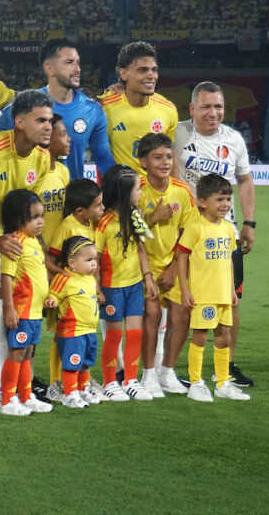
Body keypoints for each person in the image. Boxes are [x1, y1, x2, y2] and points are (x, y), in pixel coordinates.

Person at [174, 81, 257, 387]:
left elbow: (245, 180)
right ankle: (169, 369)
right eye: (206, 106)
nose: (213, 113)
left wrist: (249, 223)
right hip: (186, 231)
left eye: (219, 106)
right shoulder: (178, 132)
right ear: (192, 109)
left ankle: (227, 366)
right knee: (182, 301)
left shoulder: (233, 139)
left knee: (230, 300)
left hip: (226, 234)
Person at [0, 90, 52, 403]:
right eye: (41, 120)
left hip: (7, 242)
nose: (48, 126)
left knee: (12, 307)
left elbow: (25, 208)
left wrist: (35, 246)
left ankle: (0, 386)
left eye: (50, 119)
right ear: (19, 122)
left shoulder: (43, 158)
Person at [0, 38, 115, 179]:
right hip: (32, 197)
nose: (78, 69)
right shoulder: (23, 105)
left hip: (73, 197)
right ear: (50, 68)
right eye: (69, 62)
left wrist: (120, 179)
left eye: (78, 63)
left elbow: (103, 156)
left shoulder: (92, 109)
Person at [173, 174, 250, 402]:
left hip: (223, 294)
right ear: (203, 201)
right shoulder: (195, 227)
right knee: (200, 337)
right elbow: (181, 258)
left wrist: (232, 291)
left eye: (228, 199)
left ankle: (223, 383)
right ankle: (196, 382)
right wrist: (185, 290)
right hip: (202, 295)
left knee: (224, 337)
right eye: (220, 199)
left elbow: (228, 262)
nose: (225, 204)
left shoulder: (228, 229)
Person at [136, 133, 198, 396]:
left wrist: (173, 268)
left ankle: (167, 372)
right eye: (158, 157)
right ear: (143, 162)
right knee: (151, 315)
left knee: (182, 314)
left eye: (169, 157)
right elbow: (129, 232)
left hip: (174, 264)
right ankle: (148, 375)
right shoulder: (135, 190)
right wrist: (153, 217)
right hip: (142, 265)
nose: (165, 163)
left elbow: (188, 235)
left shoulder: (182, 192)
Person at [94, 165, 158, 401]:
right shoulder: (104, 224)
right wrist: (97, 286)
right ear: (123, 192)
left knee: (134, 334)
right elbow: (96, 258)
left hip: (134, 286)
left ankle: (131, 380)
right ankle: (110, 382)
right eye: (137, 190)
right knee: (113, 336)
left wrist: (147, 277)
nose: (140, 194)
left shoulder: (134, 216)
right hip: (111, 288)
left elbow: (140, 248)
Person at [43, 178, 103, 402]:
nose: (102, 209)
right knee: (62, 337)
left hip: (83, 290)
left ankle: (79, 384)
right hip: (67, 293)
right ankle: (55, 381)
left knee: (78, 342)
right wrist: (66, 280)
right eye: (98, 205)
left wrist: (94, 287)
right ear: (81, 209)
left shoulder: (90, 225)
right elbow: (52, 257)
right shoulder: (68, 225)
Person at [0, 189, 52, 415]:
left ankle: (26, 395)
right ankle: (7, 400)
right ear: (18, 219)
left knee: (28, 352)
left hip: (35, 312)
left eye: (42, 216)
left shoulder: (34, 242)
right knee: (17, 352)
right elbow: (6, 278)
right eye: (34, 217)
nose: (40, 222)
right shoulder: (14, 243)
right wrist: (9, 308)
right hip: (22, 311)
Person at [98, 41, 179, 175]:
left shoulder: (168, 109)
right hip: (120, 191)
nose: (151, 75)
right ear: (123, 74)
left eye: (154, 70)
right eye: (142, 70)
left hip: (155, 193)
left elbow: (171, 156)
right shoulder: (104, 107)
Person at [45, 236, 101, 409]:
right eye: (89, 260)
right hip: (72, 332)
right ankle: (70, 394)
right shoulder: (65, 278)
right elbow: (54, 293)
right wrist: (52, 300)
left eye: (95, 260)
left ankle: (83, 390)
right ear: (72, 263)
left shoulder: (90, 279)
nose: (94, 264)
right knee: (72, 364)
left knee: (85, 363)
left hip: (90, 331)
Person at [37, 115, 71, 249]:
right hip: (39, 251)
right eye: (63, 134)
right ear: (48, 139)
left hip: (58, 249)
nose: (69, 139)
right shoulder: (33, 174)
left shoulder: (62, 171)